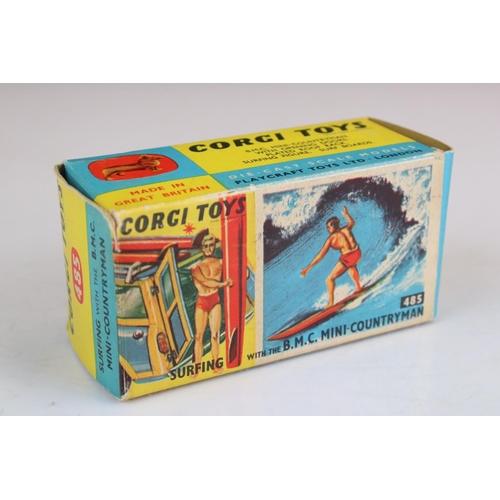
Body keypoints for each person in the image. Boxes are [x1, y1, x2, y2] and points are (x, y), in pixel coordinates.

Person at [300, 205, 362, 308]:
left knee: (329, 279)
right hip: (357, 253)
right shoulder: (346, 229)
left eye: (329, 227)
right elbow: (352, 222)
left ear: (333, 226)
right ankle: (359, 287)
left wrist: (308, 268)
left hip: (347, 258)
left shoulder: (331, 239)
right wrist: (346, 214)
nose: (328, 229)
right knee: (352, 267)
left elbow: (320, 255)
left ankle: (331, 303)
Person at [190, 232, 233, 374]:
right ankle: (196, 369)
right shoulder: (195, 267)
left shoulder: (221, 262)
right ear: (202, 248)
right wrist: (223, 284)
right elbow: (206, 282)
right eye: (206, 246)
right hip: (202, 301)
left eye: (211, 245)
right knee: (199, 336)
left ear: (214, 246)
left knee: (215, 335)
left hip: (214, 300)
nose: (209, 248)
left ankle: (216, 365)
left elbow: (237, 268)